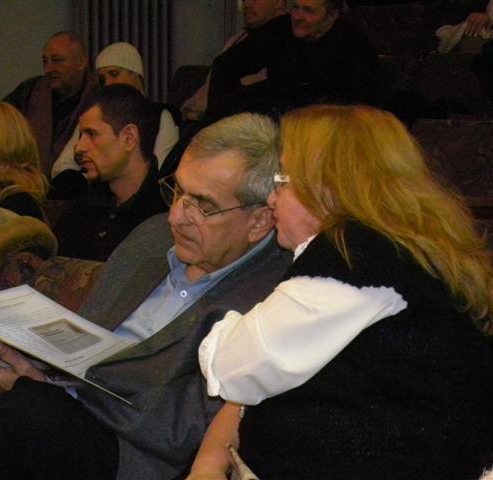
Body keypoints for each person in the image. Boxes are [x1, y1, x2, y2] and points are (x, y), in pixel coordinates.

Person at [0, 112, 293, 480]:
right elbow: (86, 336)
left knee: (28, 416)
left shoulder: (272, 297)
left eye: (204, 205)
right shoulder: (151, 237)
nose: (178, 216)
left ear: (259, 220)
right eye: (177, 192)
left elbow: (182, 431)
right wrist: (31, 361)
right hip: (57, 409)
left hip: (130, 454)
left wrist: (57, 390)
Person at [189, 104, 493, 479]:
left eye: (282, 181)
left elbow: (233, 366)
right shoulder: (395, 252)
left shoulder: (354, 256)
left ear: (328, 189)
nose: (271, 199)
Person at [51, 84, 167, 260]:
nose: (79, 147)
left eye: (92, 134)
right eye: (81, 136)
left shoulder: (166, 216)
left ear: (129, 138)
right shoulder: (81, 209)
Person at [51, 42, 179, 178]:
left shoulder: (160, 115)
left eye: (114, 74)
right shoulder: (92, 116)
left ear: (136, 75)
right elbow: (61, 167)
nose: (108, 83)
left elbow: (162, 170)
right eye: (102, 79)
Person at [3, 32, 98, 176]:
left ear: (81, 62)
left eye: (57, 60)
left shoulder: (100, 95)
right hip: (29, 180)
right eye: (45, 61)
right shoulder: (30, 90)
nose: (48, 69)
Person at [261, 0, 378, 110]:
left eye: (309, 11)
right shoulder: (279, 28)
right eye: (295, 7)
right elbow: (248, 59)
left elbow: (359, 105)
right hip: (278, 112)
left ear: (332, 16)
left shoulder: (354, 46)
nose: (297, 17)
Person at [181, 0, 287, 122]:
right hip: (200, 118)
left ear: (279, 3)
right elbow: (207, 87)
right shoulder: (236, 41)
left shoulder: (282, 43)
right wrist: (187, 108)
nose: (246, 5)